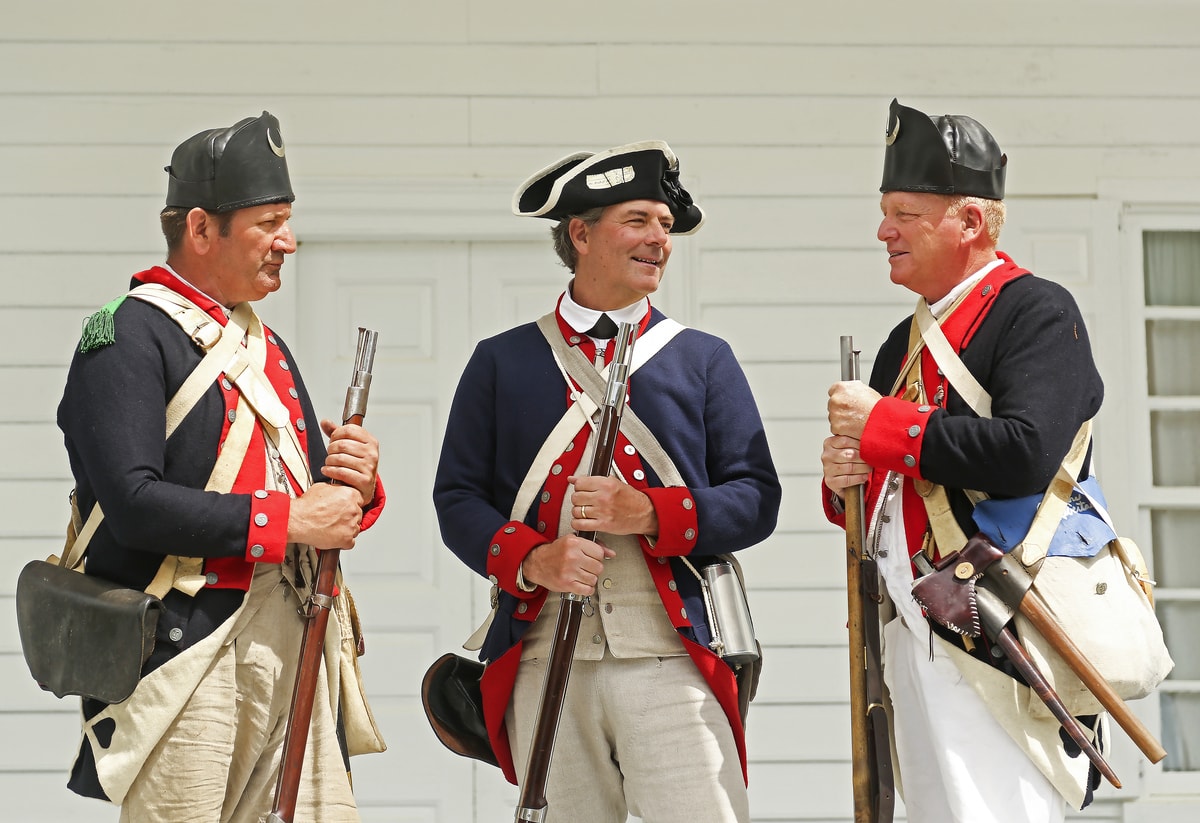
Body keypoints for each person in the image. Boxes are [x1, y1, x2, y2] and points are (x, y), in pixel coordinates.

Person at [433, 140, 781, 822]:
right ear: (581, 233)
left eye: (663, 223)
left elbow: (755, 497)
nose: (660, 238)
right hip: (544, 658)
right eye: (639, 220)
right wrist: (533, 558)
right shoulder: (501, 361)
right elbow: (457, 499)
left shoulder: (703, 359)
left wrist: (649, 512)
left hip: (670, 658)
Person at [56, 111, 386, 822]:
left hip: (297, 635)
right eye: (269, 222)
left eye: (286, 220)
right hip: (187, 650)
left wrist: (353, 483)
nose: (288, 242)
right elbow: (135, 503)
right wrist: (291, 517)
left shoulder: (263, 346)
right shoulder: (125, 334)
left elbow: (316, 505)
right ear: (202, 229)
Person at [820, 99, 1106, 822]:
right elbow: (887, 489)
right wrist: (843, 478)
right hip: (911, 622)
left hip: (997, 627)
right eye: (885, 211)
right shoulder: (902, 342)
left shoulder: (1036, 312)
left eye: (905, 213)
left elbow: (1025, 452)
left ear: (971, 221)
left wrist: (886, 426)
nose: (884, 230)